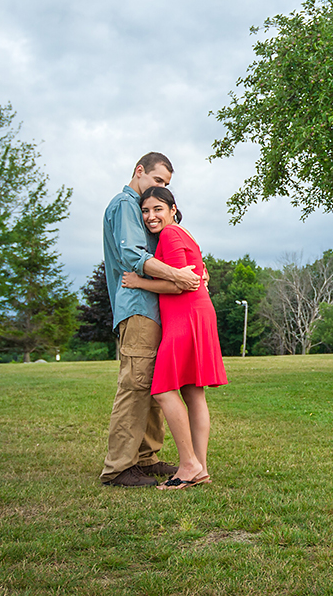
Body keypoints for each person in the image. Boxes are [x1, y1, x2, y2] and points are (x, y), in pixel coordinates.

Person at [100, 152, 203, 488]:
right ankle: (119, 467)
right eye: (157, 181)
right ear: (139, 171)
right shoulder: (126, 205)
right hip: (138, 307)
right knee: (136, 385)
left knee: (154, 383)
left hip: (157, 308)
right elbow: (133, 256)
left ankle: (146, 457)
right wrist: (179, 276)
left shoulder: (143, 209)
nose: (159, 191)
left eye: (166, 186)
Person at [122, 186, 227, 490]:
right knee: (193, 392)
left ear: (172, 208)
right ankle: (200, 468)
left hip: (186, 315)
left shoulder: (170, 235)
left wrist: (139, 282)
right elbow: (194, 276)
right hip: (195, 314)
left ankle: (189, 465)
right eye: (145, 211)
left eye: (157, 209)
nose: (151, 216)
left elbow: (182, 284)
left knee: (163, 389)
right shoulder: (183, 233)